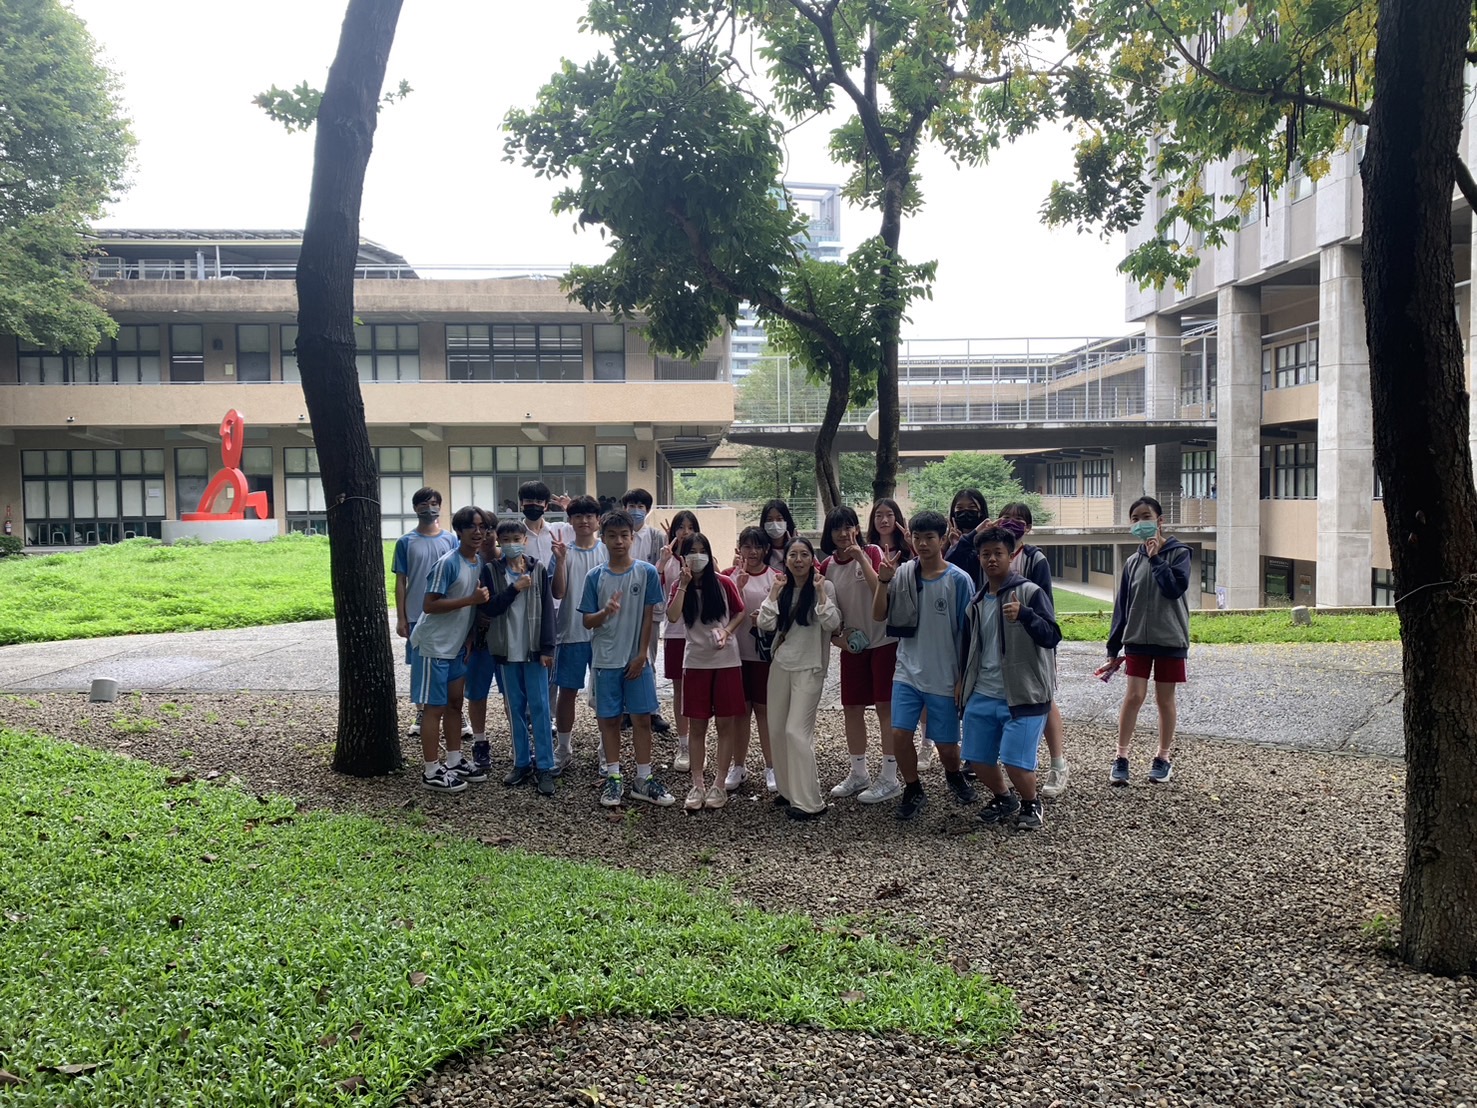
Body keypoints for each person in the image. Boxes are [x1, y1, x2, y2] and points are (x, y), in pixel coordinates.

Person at [870, 509, 976, 820]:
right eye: (917, 537)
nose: (923, 544)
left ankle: (953, 775)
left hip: (944, 675)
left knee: (947, 746)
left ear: (943, 540)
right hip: (907, 671)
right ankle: (913, 788)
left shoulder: (958, 580)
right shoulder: (903, 573)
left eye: (930, 537)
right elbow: (879, 614)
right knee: (899, 734)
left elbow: (969, 633)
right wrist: (883, 580)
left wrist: (963, 677)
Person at [960, 526, 1063, 832]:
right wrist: (961, 682)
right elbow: (968, 648)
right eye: (985, 554)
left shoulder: (1030, 592)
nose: (992, 559)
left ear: (1011, 555)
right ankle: (1005, 798)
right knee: (977, 758)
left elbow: (1052, 636)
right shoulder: (976, 602)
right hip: (983, 691)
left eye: (998, 553)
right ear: (979, 558)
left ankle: (1031, 802)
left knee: (1016, 761)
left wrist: (1026, 615)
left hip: (1023, 693)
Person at [579, 510, 676, 808]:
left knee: (642, 718)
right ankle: (614, 777)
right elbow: (587, 621)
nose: (619, 541)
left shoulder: (646, 572)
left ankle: (643, 779)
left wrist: (642, 655)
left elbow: (649, 616)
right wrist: (606, 611)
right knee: (609, 720)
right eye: (612, 536)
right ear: (603, 539)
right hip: (605, 660)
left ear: (633, 538)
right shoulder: (595, 576)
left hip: (637, 661)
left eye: (624, 535)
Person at [1096, 496, 1191, 785]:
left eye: (1146, 516)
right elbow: (1122, 607)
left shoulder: (1179, 553)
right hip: (1137, 638)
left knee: (1164, 699)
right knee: (1134, 696)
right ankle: (1121, 757)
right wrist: (1113, 648)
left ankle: (1163, 758)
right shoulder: (1131, 562)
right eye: (1135, 518)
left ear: (1160, 520)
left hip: (1171, 638)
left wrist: (1156, 559)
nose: (1140, 522)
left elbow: (1174, 589)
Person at [818, 506, 900, 803]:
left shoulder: (873, 552)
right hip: (853, 647)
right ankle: (858, 772)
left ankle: (890, 777)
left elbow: (881, 590)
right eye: (837, 528)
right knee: (851, 708)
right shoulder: (826, 566)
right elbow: (824, 611)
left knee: (885, 708)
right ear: (829, 533)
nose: (843, 533)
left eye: (848, 526)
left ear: (857, 528)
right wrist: (838, 640)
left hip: (884, 642)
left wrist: (861, 558)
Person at [759, 537, 842, 820]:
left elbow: (833, 624)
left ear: (812, 558)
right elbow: (765, 623)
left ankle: (810, 802)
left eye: (804, 554)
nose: (798, 560)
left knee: (796, 732)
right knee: (777, 730)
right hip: (781, 665)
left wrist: (820, 594)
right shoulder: (781, 588)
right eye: (793, 555)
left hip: (810, 667)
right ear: (785, 560)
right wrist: (773, 593)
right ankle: (787, 791)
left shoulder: (824, 586)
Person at [410, 505, 492, 792]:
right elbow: (429, 604)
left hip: (457, 646)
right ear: (459, 531)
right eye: (471, 527)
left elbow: (471, 609)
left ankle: (454, 761)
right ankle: (431, 770)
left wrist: (468, 637)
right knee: (434, 708)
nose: (478, 532)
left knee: (455, 703)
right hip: (433, 646)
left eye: (482, 527)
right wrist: (470, 600)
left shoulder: (478, 562)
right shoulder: (447, 563)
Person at [995, 502, 1070, 799]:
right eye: (1006, 518)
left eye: (1019, 520)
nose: (1012, 523)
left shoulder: (1034, 558)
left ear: (1028, 527)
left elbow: (1045, 606)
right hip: (1000, 641)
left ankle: (1058, 764)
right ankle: (1015, 763)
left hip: (1032, 638)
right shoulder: (991, 553)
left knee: (1045, 699)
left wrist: (1032, 624)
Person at [669, 532, 747, 810]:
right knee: (697, 726)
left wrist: (727, 631)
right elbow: (672, 616)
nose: (698, 556)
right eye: (692, 551)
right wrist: (683, 585)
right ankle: (697, 784)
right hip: (695, 663)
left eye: (703, 550)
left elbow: (740, 612)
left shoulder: (723, 583)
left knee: (725, 725)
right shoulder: (680, 585)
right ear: (683, 557)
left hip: (726, 662)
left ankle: (719, 783)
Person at [480, 518, 558, 797]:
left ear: (525, 541)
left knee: (540, 707)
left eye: (517, 539)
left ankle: (545, 766)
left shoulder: (538, 569)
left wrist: (548, 648)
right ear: (499, 542)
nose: (512, 544)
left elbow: (548, 610)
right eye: (506, 540)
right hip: (506, 650)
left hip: (534, 650)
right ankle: (521, 762)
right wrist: (514, 588)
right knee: (515, 708)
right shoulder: (491, 570)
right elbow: (489, 608)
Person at [391, 487, 460, 741]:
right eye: (423, 504)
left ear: (440, 507)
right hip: (415, 614)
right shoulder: (405, 542)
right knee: (419, 664)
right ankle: (421, 712)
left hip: (446, 611)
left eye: (433, 503)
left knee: (449, 660)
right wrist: (401, 617)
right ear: (415, 508)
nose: (429, 508)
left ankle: (454, 710)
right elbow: (401, 581)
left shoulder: (451, 540)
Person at [550, 495, 607, 775]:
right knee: (567, 691)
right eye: (578, 516)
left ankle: (607, 750)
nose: (584, 521)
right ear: (570, 520)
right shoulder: (563, 551)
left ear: (598, 520)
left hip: (604, 635)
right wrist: (560, 561)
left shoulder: (607, 550)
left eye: (589, 516)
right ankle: (563, 748)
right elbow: (558, 592)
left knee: (605, 693)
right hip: (570, 632)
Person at [724, 526, 781, 792]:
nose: (753, 552)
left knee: (765, 712)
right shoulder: (728, 577)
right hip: (734, 656)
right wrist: (738, 585)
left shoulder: (776, 578)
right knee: (740, 713)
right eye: (747, 546)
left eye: (758, 546)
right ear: (739, 549)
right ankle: (738, 766)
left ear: (767, 549)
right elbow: (721, 613)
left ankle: (772, 766)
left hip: (763, 657)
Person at [620, 487, 674, 736]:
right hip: (622, 606)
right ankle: (625, 710)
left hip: (650, 605)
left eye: (640, 506)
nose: (636, 511)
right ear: (624, 508)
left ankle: (651, 710)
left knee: (648, 657)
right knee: (623, 656)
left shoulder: (657, 537)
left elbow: (666, 569)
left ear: (648, 510)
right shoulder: (619, 535)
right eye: (631, 506)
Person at [656, 511, 701, 769]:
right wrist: (663, 561)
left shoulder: (704, 559)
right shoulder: (667, 559)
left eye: (690, 527)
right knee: (679, 690)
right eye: (680, 527)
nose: (685, 532)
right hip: (675, 632)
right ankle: (683, 745)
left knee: (699, 690)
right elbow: (653, 588)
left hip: (701, 633)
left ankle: (698, 742)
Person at [464, 522, 503, 776]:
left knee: (513, 695)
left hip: (508, 639)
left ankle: (520, 744)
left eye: (490, 530)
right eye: (480, 530)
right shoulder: (470, 563)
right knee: (477, 693)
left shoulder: (510, 561)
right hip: (479, 640)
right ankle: (480, 743)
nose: (485, 535)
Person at [944, 488, 992, 588]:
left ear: (981, 511)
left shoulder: (990, 540)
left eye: (972, 507)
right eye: (960, 508)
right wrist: (955, 546)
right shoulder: (946, 541)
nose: (965, 512)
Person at [866, 497, 913, 564]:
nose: (884, 520)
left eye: (889, 515)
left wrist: (913, 543)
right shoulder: (867, 551)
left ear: (897, 517)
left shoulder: (909, 550)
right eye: (879, 516)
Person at [759, 498, 798, 572]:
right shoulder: (759, 549)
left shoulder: (801, 545)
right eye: (769, 520)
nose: (774, 523)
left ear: (786, 521)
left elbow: (816, 571)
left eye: (779, 519)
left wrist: (795, 549)